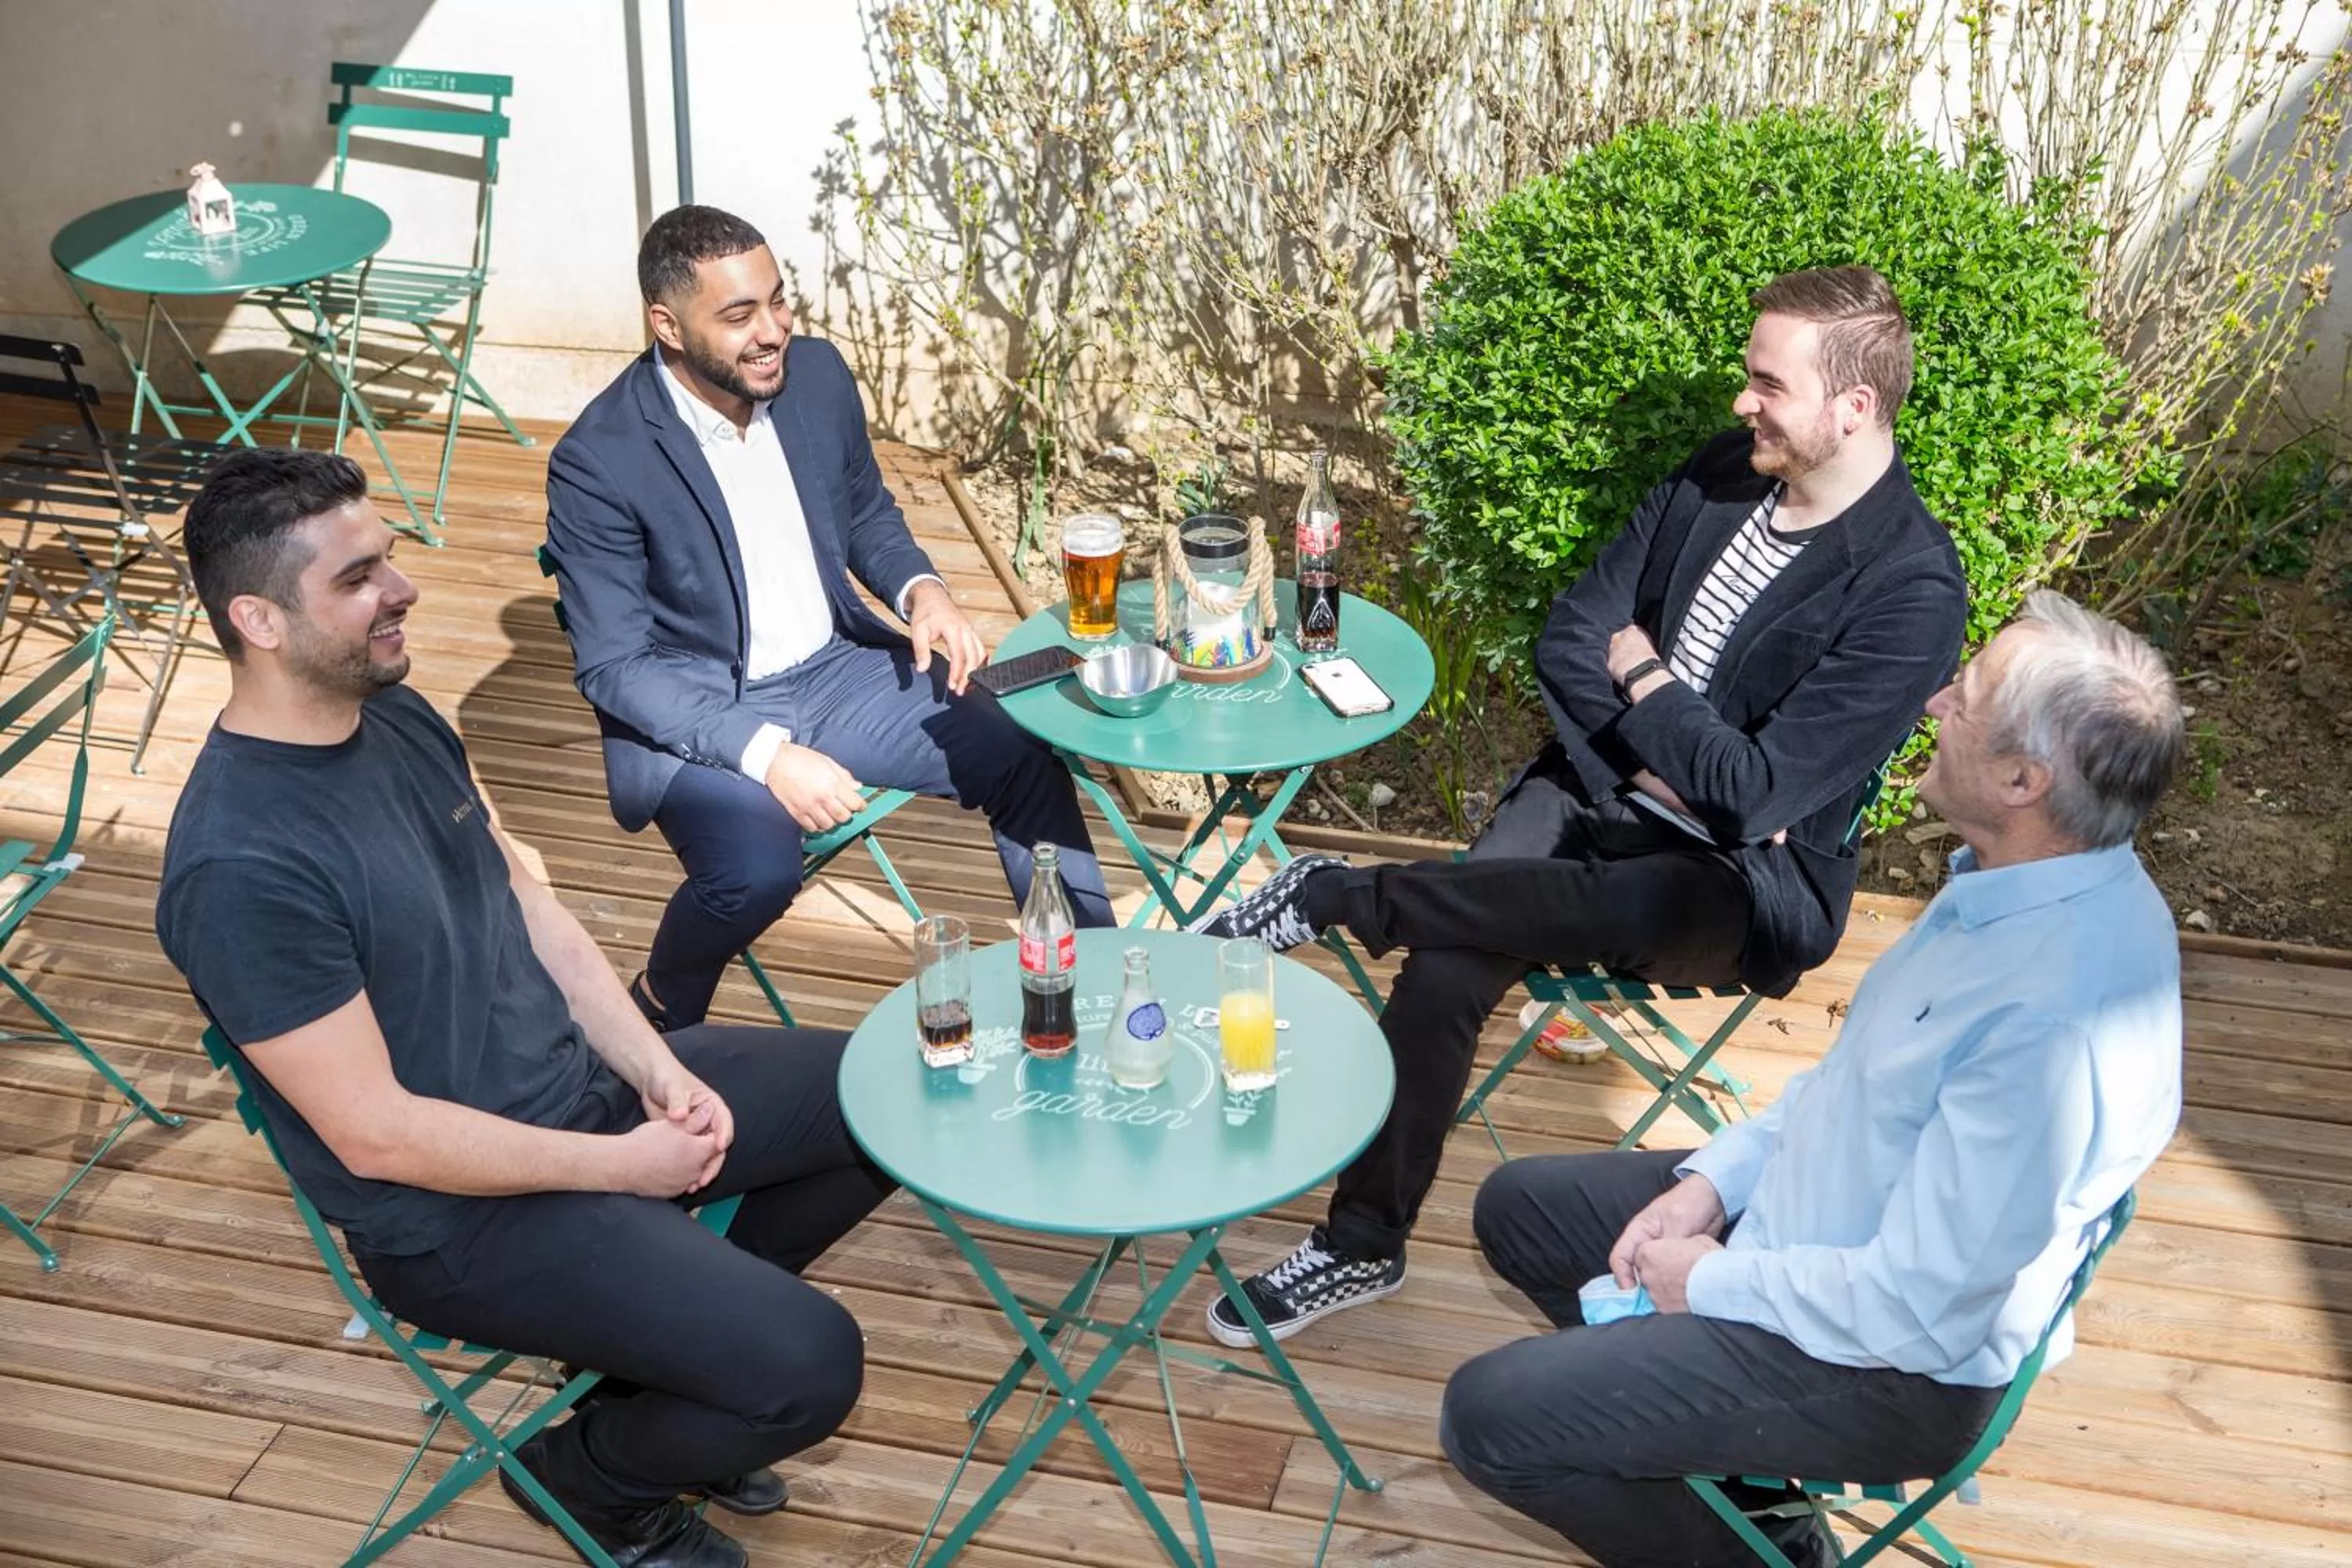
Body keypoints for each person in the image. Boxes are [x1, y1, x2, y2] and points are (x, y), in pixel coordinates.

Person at [1194, 267, 1969, 1345]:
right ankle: (1361, 1244)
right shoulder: (1719, 478)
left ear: (1854, 407)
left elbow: (1751, 798)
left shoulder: (1911, 588)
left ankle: (1343, 894)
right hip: (1600, 787)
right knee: (1455, 958)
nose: (1742, 403)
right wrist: (1654, 761)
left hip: (1738, 886)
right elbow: (1572, 636)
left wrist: (1647, 683)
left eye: (1767, 384)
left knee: (1591, 904)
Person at [157, 448, 893, 1568]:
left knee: (887, 1096)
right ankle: (585, 1480)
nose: (400, 590)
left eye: (389, 560)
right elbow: (377, 1133)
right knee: (808, 1366)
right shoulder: (243, 864)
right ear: (258, 620)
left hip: (581, 1098)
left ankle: (664, 1374)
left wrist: (657, 1071)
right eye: (358, 579)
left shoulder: (391, 715)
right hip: (462, 1221)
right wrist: (628, 1170)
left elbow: (531, 906)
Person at [1438, 591, 2187, 1567]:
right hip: (1819, 1233)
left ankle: (1770, 1553)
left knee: (1488, 1415)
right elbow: (1850, 1092)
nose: (1932, 704)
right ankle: (1741, 1481)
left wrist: (1709, 1278)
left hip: (1887, 1362)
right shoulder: (2014, 888)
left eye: (1962, 697)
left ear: (2020, 777)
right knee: (1522, 1208)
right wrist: (1712, 1185)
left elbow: (1918, 1303)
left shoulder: (2053, 1016)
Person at [543, 204, 1112, 1032]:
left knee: (1022, 750)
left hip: (837, 667)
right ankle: (661, 1005)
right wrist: (771, 757)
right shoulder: (600, 459)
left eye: (779, 300)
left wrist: (923, 591)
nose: (773, 330)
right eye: (739, 315)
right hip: (710, 702)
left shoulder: (814, 376)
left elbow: (863, 507)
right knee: (756, 869)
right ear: (666, 325)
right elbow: (617, 665)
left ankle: (1084, 981)